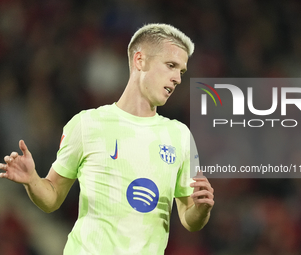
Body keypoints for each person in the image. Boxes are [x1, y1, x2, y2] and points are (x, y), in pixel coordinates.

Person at [0, 23, 214, 255]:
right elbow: (52, 198)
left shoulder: (180, 135)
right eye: (171, 66)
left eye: (181, 72)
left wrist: (201, 209)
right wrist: (32, 180)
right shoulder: (87, 124)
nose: (177, 79)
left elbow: (189, 218)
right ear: (140, 60)